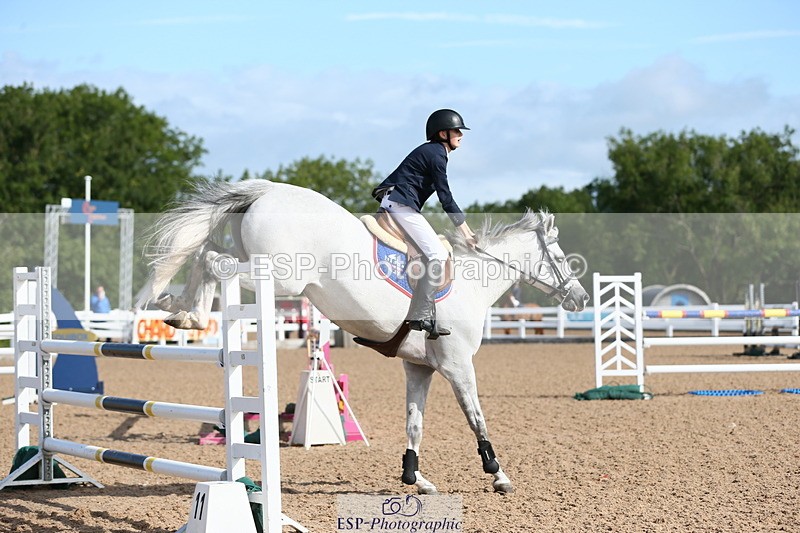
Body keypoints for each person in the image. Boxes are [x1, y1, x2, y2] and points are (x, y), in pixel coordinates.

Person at [372, 109, 478, 339]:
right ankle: (420, 314)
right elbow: (445, 197)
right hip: (401, 204)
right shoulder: (437, 154)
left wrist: (469, 232)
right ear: (443, 133)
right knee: (438, 254)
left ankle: (427, 312)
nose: (461, 134)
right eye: (457, 130)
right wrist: (466, 233)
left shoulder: (435, 151)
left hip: (399, 202)